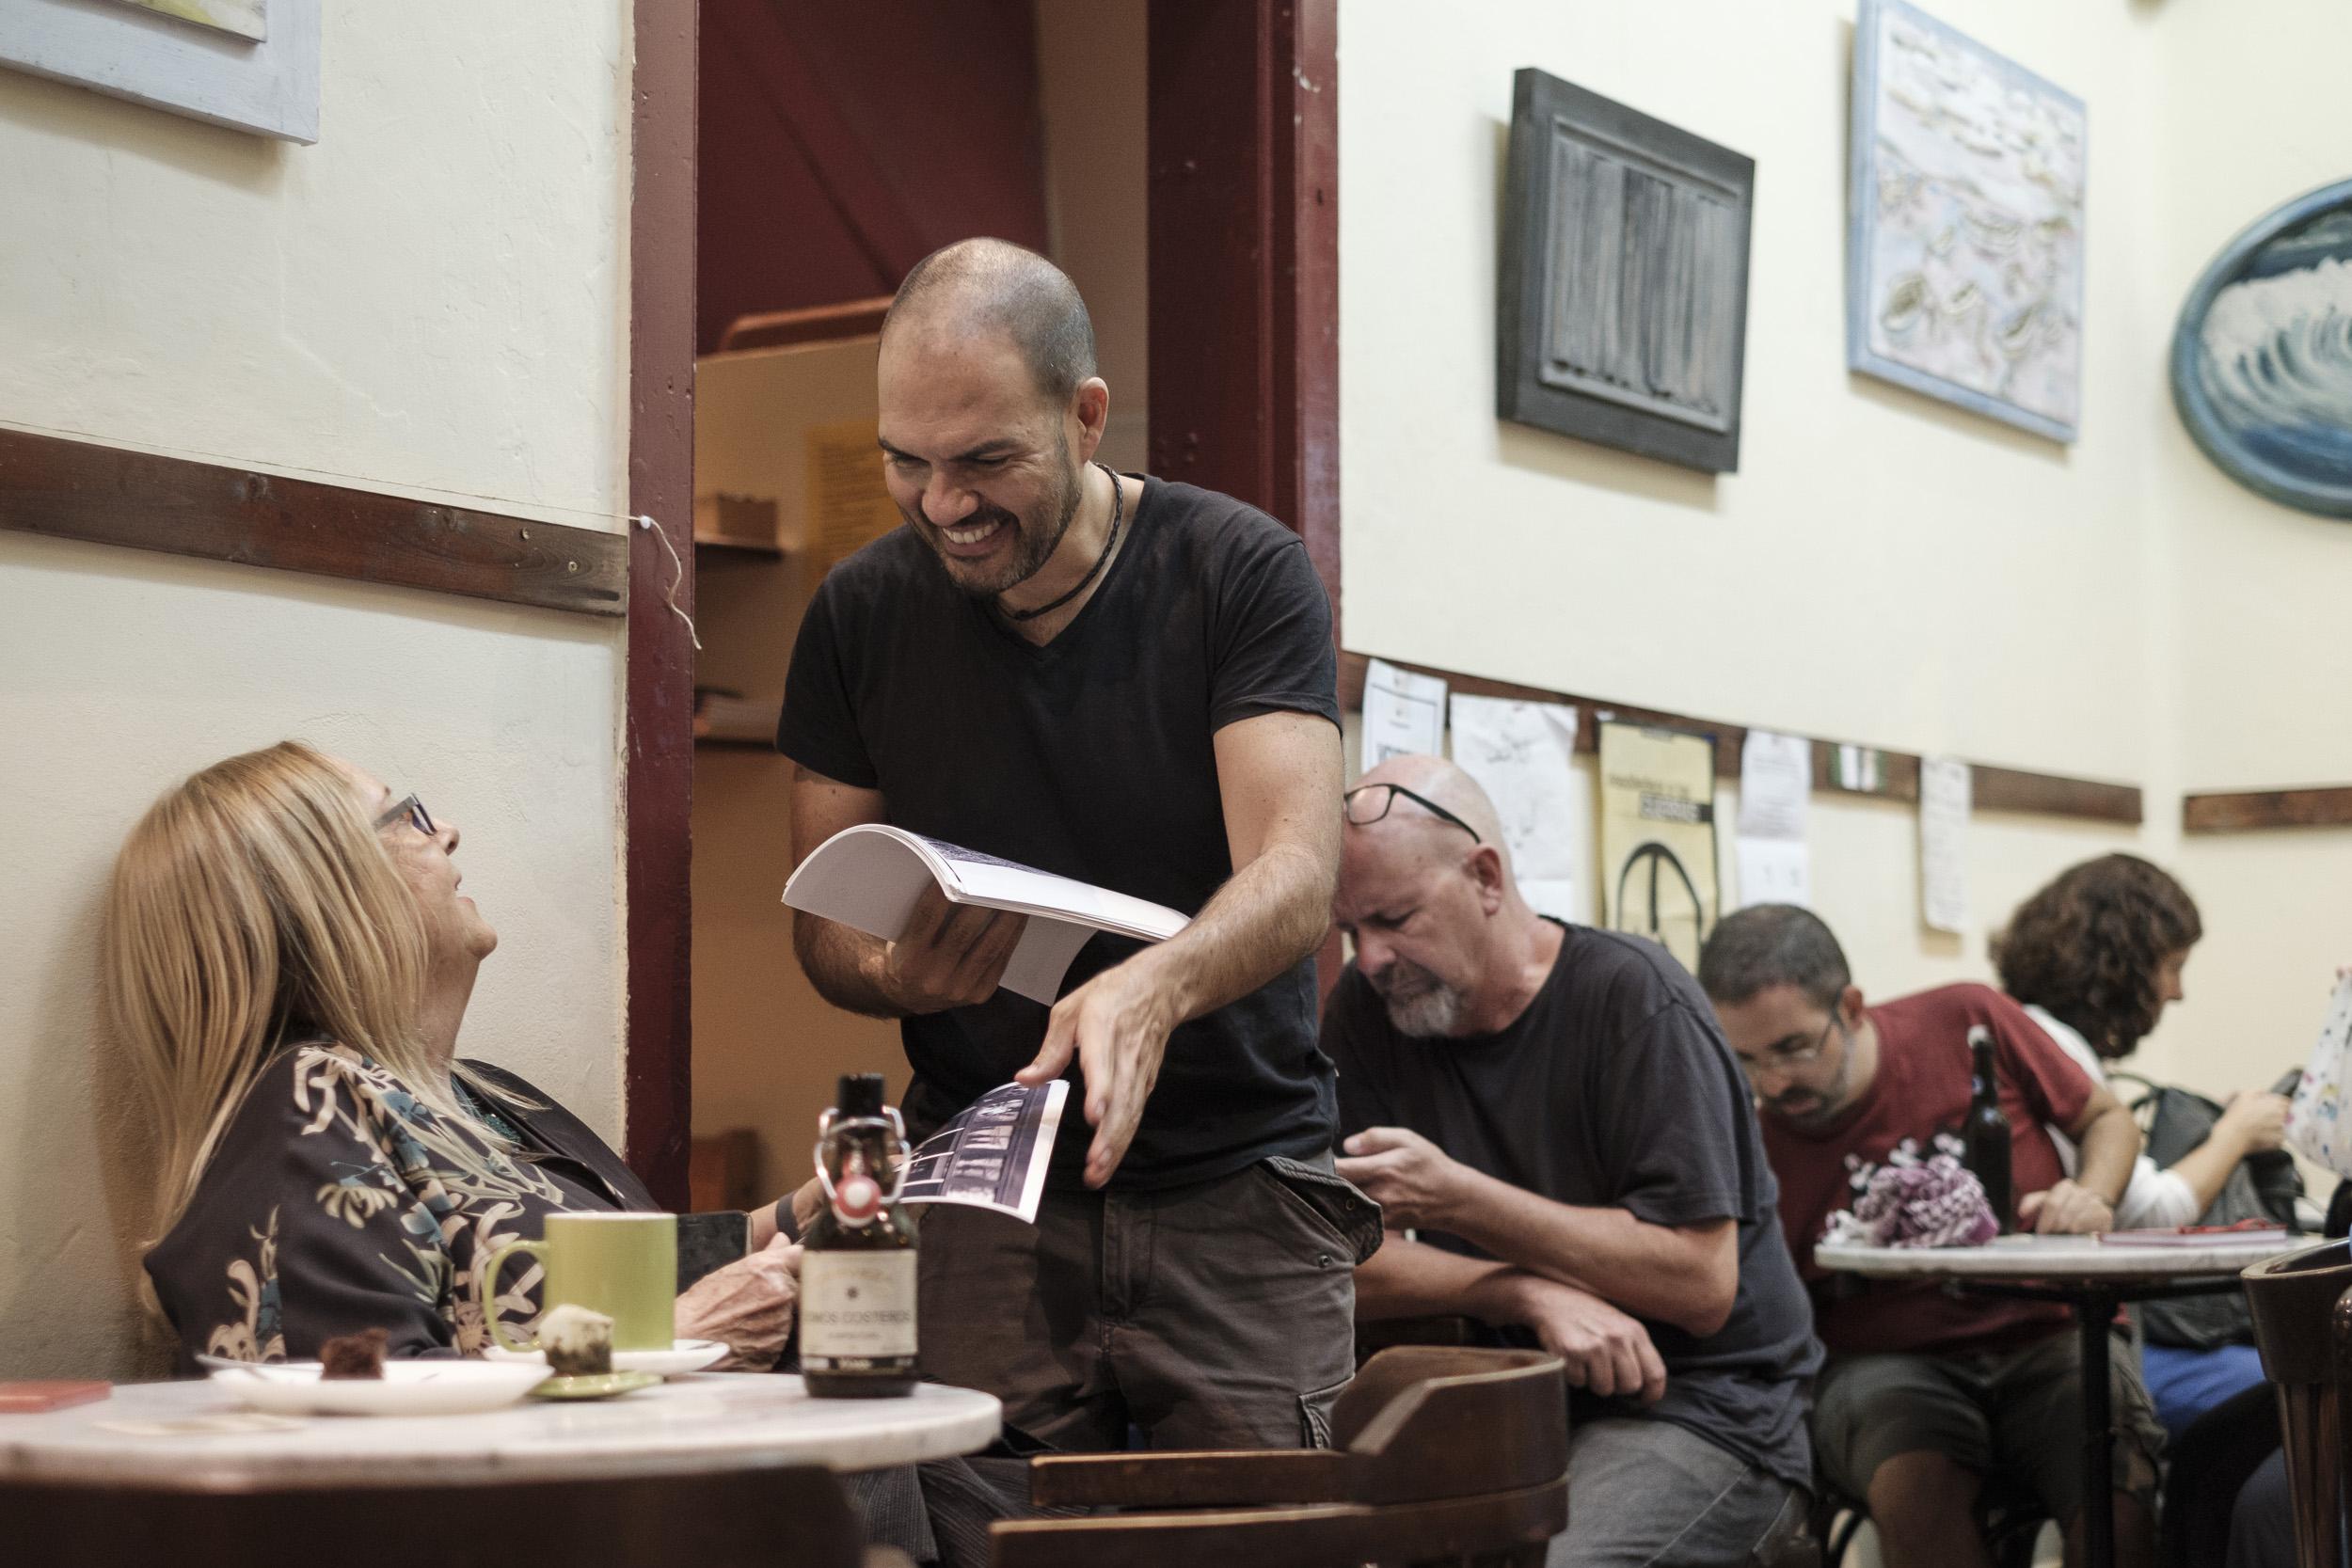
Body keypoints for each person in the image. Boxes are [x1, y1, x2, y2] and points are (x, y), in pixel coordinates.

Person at [103, 743, 1021, 1568]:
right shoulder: (305, 1110)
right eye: (409, 815)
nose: (448, 828)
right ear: (327, 894)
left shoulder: (490, 1096)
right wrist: (677, 1337)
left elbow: (599, 1276)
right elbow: (350, 1426)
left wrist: (806, 1213)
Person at [779, 237, 1375, 1452]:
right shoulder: (861, 610)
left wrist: (1152, 987)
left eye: (986, 459)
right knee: (975, 1525)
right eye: (910, 463)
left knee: (1257, 1549)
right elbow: (825, 922)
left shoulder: (1237, 573)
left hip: (1237, 1189)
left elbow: (1297, 874)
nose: (944, 503)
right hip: (984, 1188)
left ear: (1087, 415)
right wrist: (895, 972)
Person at [1324, 757, 1820, 1567]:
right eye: (1352, 930)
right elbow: (1335, 1265)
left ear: (1486, 877)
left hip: (1700, 1405)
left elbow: (1699, 1281)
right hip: (1505, 1397)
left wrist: (1458, 1200)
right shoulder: (1370, 1009)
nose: (1371, 957)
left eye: (1395, 919)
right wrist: (1520, 1288)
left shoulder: (1636, 999)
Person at [1699, 905, 2163, 1568]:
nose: (1772, 1082)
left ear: (1851, 1006)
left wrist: (2091, 1193)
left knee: (2118, 1500)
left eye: (1794, 1047)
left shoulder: (1966, 1019)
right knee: (1916, 1495)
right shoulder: (1752, 1135)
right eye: (1745, 1059)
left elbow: (2107, 1117)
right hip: (1885, 1361)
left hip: (2050, 1330)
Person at [1995, 854, 2291, 1436]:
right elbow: (2143, 1209)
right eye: (2172, 966)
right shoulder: (2053, 1048)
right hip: (2059, 1337)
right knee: (2297, 1384)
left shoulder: (2029, 1033)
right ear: (2123, 965)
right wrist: (2236, 1133)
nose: (2177, 992)